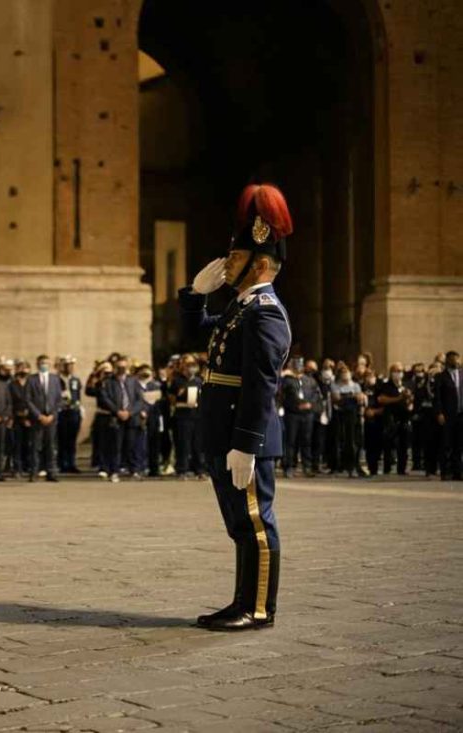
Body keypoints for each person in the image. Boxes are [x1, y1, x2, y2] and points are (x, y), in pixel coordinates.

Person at [178, 182, 293, 632]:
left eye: (236, 258)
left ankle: (258, 607)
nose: (228, 264)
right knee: (240, 526)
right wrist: (194, 294)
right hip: (225, 432)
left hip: (244, 436)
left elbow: (261, 385)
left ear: (261, 263)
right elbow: (198, 334)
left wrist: (246, 444)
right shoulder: (241, 308)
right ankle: (243, 601)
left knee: (255, 523)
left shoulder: (264, 312)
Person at [97, 358, 145, 482]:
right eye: (119, 367)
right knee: (115, 446)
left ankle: (134, 470)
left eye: (124, 367)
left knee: (131, 445)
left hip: (131, 417)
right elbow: (104, 398)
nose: (122, 370)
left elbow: (139, 399)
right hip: (116, 417)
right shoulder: (108, 382)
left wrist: (130, 412)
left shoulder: (133, 381)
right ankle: (114, 471)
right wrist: (117, 411)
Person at [280, 357, 320, 478]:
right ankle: (289, 466)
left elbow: (316, 395)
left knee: (306, 441)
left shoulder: (310, 380)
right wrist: (297, 405)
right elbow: (282, 396)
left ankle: (307, 466)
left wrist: (310, 404)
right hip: (292, 414)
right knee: (290, 441)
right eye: (295, 365)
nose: (298, 368)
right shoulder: (287, 380)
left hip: (307, 414)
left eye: (300, 365)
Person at [24, 355, 62, 482]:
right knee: (35, 446)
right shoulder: (31, 379)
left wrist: (52, 415)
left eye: (46, 363)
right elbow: (28, 400)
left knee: (50, 446)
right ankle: (34, 472)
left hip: (51, 418)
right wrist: (38, 415)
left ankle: (51, 472)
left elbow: (58, 400)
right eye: (41, 363)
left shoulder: (55, 379)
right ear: (37, 364)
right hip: (37, 418)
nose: (44, 365)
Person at [375, 361, 412, 476]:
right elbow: (381, 399)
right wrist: (398, 398)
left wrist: (409, 402)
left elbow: (411, 401)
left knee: (404, 444)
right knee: (388, 444)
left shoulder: (407, 385)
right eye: (395, 371)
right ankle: (387, 468)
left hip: (404, 418)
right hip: (390, 417)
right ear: (391, 373)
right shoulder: (385, 385)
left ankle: (402, 469)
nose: (398, 373)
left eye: (400, 371)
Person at [171, 355, 204, 478]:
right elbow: (173, 397)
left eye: (193, 366)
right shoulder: (177, 380)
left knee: (198, 444)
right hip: (183, 414)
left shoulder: (200, 380)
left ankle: (199, 470)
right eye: (188, 366)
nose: (191, 368)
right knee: (183, 444)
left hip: (197, 414)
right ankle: (182, 469)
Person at [434, 350, 463, 481]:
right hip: (447, 415)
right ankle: (445, 471)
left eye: (458, 359)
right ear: (448, 361)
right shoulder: (441, 377)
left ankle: (458, 472)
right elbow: (437, 398)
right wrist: (439, 412)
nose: (456, 362)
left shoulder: (462, 375)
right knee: (446, 444)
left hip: (460, 415)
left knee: (459, 444)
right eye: (453, 359)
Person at [57, 356, 83, 474]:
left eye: (71, 365)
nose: (70, 368)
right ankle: (62, 463)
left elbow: (78, 395)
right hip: (61, 412)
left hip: (73, 411)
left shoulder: (75, 380)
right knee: (62, 439)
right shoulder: (57, 379)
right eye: (67, 365)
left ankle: (72, 463)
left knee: (72, 440)